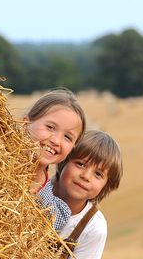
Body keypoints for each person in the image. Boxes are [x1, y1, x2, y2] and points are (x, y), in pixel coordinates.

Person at [53, 130, 123, 259]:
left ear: (105, 186)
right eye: (80, 164)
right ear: (63, 160)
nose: (85, 176)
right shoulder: (36, 188)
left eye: (98, 174)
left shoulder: (93, 227)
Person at [23, 88, 86, 231]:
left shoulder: (54, 212)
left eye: (67, 137)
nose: (56, 140)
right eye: (50, 127)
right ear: (25, 123)